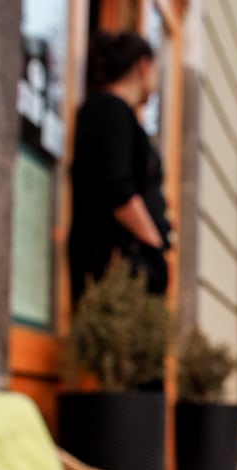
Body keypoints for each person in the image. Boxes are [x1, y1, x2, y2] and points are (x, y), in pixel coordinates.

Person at [68, 30, 172, 305]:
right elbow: (118, 191)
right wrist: (153, 241)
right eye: (156, 71)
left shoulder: (116, 114)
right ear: (143, 66)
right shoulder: (110, 111)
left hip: (127, 266)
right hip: (116, 266)